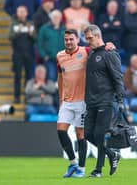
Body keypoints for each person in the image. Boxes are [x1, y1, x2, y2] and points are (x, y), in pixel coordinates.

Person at [84, 25, 123, 177]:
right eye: (86, 39)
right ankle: (112, 154)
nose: (88, 41)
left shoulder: (109, 53)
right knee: (87, 134)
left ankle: (98, 170)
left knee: (99, 134)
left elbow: (118, 77)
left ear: (98, 36)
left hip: (105, 100)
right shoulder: (92, 54)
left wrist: (120, 99)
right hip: (91, 101)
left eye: (90, 38)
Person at [56, 29, 89, 178]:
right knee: (61, 130)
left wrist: (108, 45)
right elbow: (60, 78)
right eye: (66, 39)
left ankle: (82, 169)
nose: (68, 42)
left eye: (71, 39)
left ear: (77, 39)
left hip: (82, 101)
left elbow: (99, 48)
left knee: (80, 134)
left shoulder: (86, 51)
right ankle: (73, 162)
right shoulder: (60, 56)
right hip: (67, 101)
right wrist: (60, 99)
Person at [9, 5, 36, 103]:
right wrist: (18, 32)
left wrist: (30, 32)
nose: (21, 13)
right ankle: (17, 97)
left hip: (29, 54)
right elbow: (10, 37)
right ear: (17, 13)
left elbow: (35, 39)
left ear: (27, 13)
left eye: (23, 11)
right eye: (19, 11)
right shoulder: (14, 24)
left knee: (29, 76)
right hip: (17, 54)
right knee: (18, 76)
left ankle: (27, 97)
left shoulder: (31, 24)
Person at [37, 9, 65, 81]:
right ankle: (52, 92)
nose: (56, 19)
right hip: (49, 59)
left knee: (62, 78)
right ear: (51, 18)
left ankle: (59, 92)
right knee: (51, 77)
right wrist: (44, 55)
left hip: (62, 59)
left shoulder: (64, 29)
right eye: (54, 17)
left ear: (61, 18)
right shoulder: (44, 28)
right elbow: (39, 43)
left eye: (58, 17)